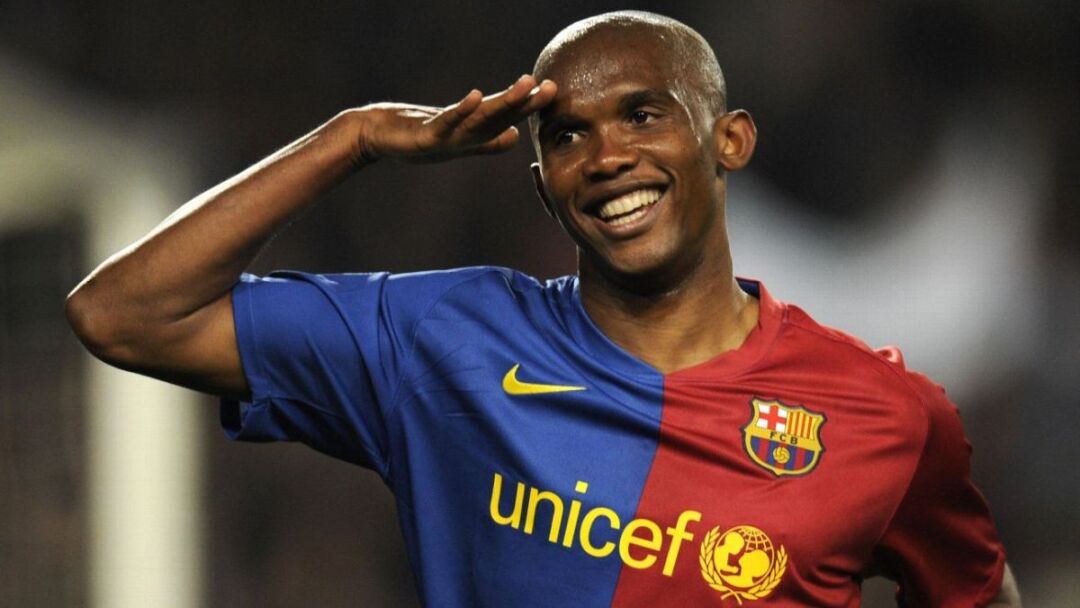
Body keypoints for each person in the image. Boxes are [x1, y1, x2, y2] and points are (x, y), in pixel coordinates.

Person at [66, 10, 1020, 607]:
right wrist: (349, 140)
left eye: (643, 114)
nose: (607, 157)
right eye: (566, 135)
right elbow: (123, 313)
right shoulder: (445, 342)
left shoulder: (885, 418)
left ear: (728, 141)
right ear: (541, 183)